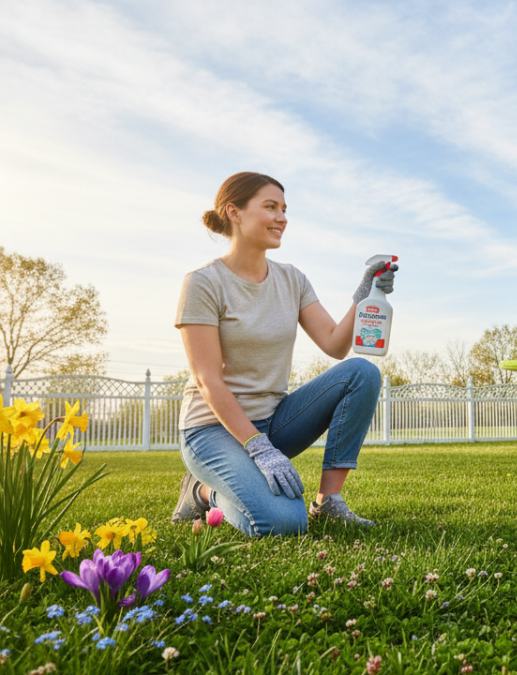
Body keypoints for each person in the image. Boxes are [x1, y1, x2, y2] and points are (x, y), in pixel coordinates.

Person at [170, 171, 397, 536]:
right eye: (271, 207)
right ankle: (202, 491)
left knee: (362, 373)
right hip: (212, 430)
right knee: (283, 523)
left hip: (274, 421)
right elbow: (207, 379)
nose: (282, 218)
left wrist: (365, 294)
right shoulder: (203, 282)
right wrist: (259, 448)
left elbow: (335, 345)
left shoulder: (292, 279)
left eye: (284, 209)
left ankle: (328, 502)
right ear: (234, 212)